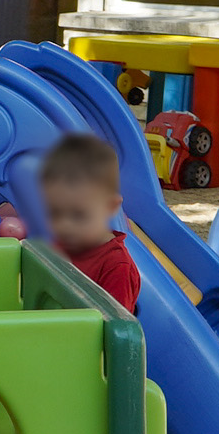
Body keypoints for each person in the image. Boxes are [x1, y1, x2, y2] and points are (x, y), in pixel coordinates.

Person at [36, 133, 141, 312]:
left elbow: (116, 330)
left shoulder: (116, 266)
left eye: (78, 215)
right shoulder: (59, 245)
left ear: (110, 206)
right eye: (55, 212)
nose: (64, 225)